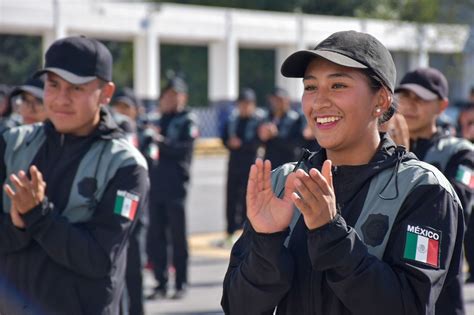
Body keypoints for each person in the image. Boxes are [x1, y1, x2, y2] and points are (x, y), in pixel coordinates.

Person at [221, 30, 464, 314]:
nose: (319, 102)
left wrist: (330, 233)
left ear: (382, 100)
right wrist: (266, 242)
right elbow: (238, 307)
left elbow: (408, 306)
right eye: (310, 87)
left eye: (337, 85)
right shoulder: (283, 183)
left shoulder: (424, 191)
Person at [0, 36, 149, 315]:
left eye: (77, 88)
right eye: (53, 85)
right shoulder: (11, 144)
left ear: (106, 93)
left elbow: (100, 258)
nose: (61, 99)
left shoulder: (125, 166)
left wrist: (38, 216)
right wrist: (17, 227)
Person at [396, 68, 473, 313]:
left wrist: (402, 159)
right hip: (385, 283)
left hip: (438, 286)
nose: (409, 105)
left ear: (442, 106)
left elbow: (456, 206)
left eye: (419, 98)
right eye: (404, 97)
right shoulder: (377, 148)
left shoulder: (461, 153)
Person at [147, 77, 198, 300]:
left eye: (175, 95)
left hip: (176, 185)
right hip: (156, 184)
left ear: (183, 97)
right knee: (156, 236)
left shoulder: (187, 120)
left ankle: (181, 283)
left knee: (177, 237)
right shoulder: (157, 120)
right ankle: (160, 283)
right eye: (167, 95)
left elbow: (183, 149)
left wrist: (160, 141)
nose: (170, 99)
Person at [111, 88, 150, 315]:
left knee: (134, 270)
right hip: (119, 209)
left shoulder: (143, 134)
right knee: (118, 272)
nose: (121, 111)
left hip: (137, 210)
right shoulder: (112, 131)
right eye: (119, 106)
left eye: (126, 107)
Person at [221, 88, 264, 245]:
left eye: (248, 104)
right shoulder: (233, 120)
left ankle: (248, 232)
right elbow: (224, 137)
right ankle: (230, 232)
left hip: (251, 166)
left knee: (249, 198)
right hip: (234, 164)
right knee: (231, 198)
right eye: (242, 104)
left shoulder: (258, 121)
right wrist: (228, 143)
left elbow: (259, 142)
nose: (245, 107)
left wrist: (242, 144)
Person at [258, 87, 305, 168]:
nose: (276, 103)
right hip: (270, 165)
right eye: (273, 100)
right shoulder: (267, 117)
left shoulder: (295, 119)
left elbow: (296, 146)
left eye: (279, 100)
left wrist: (276, 135)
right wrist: (262, 137)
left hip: (288, 166)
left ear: (287, 100)